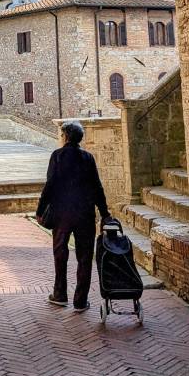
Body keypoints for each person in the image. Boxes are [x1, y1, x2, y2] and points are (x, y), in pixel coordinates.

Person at [36, 120, 109, 311]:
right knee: (85, 256)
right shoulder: (88, 158)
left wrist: (40, 210)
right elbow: (97, 187)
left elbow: (49, 185)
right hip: (84, 213)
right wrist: (104, 213)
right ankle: (80, 300)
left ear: (66, 137)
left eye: (62, 135)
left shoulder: (58, 156)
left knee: (60, 253)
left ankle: (60, 294)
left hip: (62, 213)